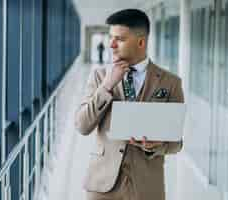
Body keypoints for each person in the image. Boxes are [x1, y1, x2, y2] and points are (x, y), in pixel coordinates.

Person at [75, 9, 184, 200]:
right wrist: (107, 85)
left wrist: (156, 146)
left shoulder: (170, 82)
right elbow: (82, 126)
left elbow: (176, 144)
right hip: (102, 186)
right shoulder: (99, 76)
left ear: (141, 42)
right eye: (111, 38)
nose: (111, 44)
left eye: (120, 39)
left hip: (147, 187)